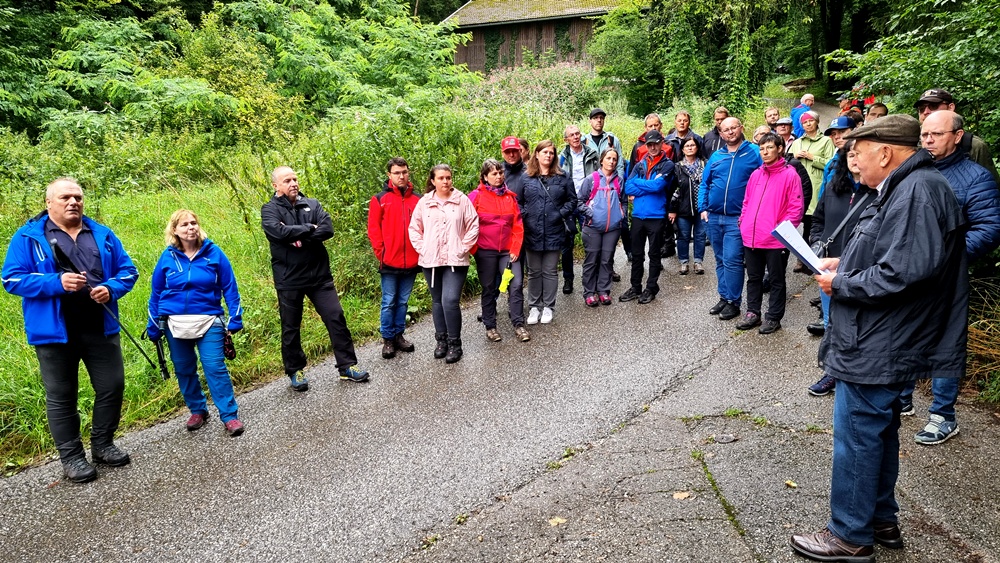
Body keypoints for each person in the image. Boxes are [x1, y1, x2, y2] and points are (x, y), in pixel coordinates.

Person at [791, 114, 967, 563]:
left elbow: (903, 272)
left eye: (857, 151)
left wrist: (842, 284)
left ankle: (848, 535)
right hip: (884, 335)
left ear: (884, 152)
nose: (852, 160)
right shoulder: (906, 188)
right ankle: (881, 520)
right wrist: (841, 264)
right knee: (880, 431)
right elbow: (890, 253)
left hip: (881, 338)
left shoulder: (917, 192)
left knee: (857, 436)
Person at [2, 178, 138, 483]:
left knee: (112, 385)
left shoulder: (102, 234)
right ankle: (72, 458)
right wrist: (55, 283)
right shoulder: (27, 237)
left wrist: (110, 288)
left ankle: (102, 445)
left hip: (99, 327)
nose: (73, 201)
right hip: (54, 332)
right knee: (62, 396)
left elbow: (129, 271)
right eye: (65, 197)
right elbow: (11, 280)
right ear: (49, 202)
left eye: (77, 196)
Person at [897, 110, 1000, 444]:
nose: (928, 140)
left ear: (957, 136)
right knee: (905, 333)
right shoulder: (912, 170)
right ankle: (902, 399)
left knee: (945, 343)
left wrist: (947, 259)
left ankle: (943, 416)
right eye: (925, 134)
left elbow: (990, 227)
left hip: (947, 277)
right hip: (909, 273)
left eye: (936, 134)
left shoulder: (975, 177)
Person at [262, 166, 370, 390]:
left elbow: (327, 229)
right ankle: (295, 370)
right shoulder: (269, 209)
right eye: (287, 180)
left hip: (319, 276)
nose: (293, 183)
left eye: (295, 179)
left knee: (336, 317)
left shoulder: (312, 204)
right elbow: (276, 233)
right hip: (289, 278)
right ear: (276, 186)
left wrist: (297, 235)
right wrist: (308, 228)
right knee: (291, 327)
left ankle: (347, 366)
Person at [146, 209, 244, 437]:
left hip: (209, 320)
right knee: (184, 368)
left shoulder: (214, 253)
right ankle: (198, 409)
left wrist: (235, 317)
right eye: (184, 225)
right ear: (175, 230)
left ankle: (229, 416)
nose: (190, 227)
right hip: (174, 323)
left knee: (214, 367)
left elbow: (230, 286)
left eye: (193, 223)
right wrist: (153, 324)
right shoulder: (167, 257)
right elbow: (156, 293)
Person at [805, 139, 877, 396]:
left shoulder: (880, 193)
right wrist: (815, 242)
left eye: (860, 155)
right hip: (829, 267)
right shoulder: (834, 188)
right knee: (831, 322)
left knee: (859, 324)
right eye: (850, 156)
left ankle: (859, 374)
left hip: (860, 268)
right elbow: (818, 220)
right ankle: (832, 372)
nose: (855, 160)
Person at [409, 164, 479, 363]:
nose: (445, 181)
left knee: (450, 300)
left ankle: (455, 343)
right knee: (438, 301)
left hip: (455, 260)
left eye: (448, 177)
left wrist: (462, 247)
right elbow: (414, 228)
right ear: (433, 181)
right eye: (441, 178)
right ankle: (442, 341)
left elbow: (473, 224)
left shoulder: (461, 200)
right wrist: (423, 248)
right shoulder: (424, 203)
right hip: (430, 261)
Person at [736, 133, 803, 334]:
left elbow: (796, 208)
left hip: (775, 240)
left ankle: (773, 317)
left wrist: (781, 231)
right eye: (762, 148)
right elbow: (747, 202)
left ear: (780, 149)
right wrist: (743, 223)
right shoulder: (756, 174)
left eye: (769, 148)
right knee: (753, 277)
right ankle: (753, 312)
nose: (765, 152)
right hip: (752, 237)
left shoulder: (790, 174)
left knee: (776, 279)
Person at [699, 118, 763, 320]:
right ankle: (724, 296)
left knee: (732, 260)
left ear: (741, 128)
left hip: (737, 218)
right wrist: (702, 208)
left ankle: (734, 302)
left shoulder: (753, 152)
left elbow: (764, 180)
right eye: (725, 130)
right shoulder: (716, 156)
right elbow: (704, 183)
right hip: (713, 216)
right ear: (721, 133)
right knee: (719, 259)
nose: (730, 132)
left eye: (733, 128)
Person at [469, 159, 527, 343]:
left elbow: (518, 225)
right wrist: (474, 248)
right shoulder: (476, 196)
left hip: (507, 251)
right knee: (488, 287)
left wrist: (515, 248)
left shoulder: (510, 197)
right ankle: (490, 326)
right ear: (485, 177)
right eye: (494, 173)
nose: (498, 176)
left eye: (500, 172)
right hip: (485, 250)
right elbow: (466, 223)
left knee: (516, 284)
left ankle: (518, 324)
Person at [368, 157, 421, 359]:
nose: (401, 176)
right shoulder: (380, 199)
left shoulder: (417, 199)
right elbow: (373, 230)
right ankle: (388, 339)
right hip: (389, 260)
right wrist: (381, 253)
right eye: (397, 173)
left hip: (411, 261)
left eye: (404, 172)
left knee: (403, 301)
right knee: (389, 301)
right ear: (389, 175)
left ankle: (399, 335)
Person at [520, 140, 577, 324]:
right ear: (536, 154)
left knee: (550, 271)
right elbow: (517, 202)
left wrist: (560, 213)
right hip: (532, 231)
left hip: (554, 230)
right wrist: (526, 215)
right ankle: (534, 306)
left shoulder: (563, 177)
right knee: (534, 271)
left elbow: (572, 200)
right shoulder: (526, 177)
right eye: (544, 152)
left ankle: (548, 307)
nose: (548, 155)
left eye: (551, 153)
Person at [621, 130, 675, 304]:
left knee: (654, 254)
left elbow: (658, 187)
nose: (652, 147)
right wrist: (646, 185)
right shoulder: (639, 165)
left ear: (661, 143)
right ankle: (635, 287)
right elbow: (628, 187)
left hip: (656, 216)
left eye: (655, 144)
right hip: (638, 215)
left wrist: (639, 183)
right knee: (636, 254)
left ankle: (651, 287)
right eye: (649, 144)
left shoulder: (667, 165)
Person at [915, 88, 999, 182]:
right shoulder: (911, 144)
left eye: (934, 106)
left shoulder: (972, 146)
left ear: (950, 107)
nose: (926, 112)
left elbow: (990, 186)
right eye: (921, 109)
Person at [789, 111, 835, 271]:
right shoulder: (797, 142)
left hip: (816, 188)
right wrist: (794, 155)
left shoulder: (825, 141)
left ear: (816, 122)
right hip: (797, 187)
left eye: (810, 121)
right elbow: (788, 161)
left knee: (810, 226)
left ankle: (810, 260)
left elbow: (831, 163)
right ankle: (800, 257)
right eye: (804, 122)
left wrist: (812, 157)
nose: (807, 124)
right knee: (794, 225)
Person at [578, 148, 624, 306]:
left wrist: (621, 213)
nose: (612, 161)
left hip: (612, 228)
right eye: (609, 158)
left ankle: (604, 290)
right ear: (602, 160)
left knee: (606, 260)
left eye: (614, 159)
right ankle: (589, 292)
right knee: (592, 260)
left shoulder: (619, 181)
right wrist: (590, 213)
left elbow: (623, 200)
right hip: (592, 228)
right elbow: (579, 201)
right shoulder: (592, 179)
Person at [558, 125, 598, 295]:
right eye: (571, 135)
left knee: (591, 240)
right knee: (567, 243)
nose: (575, 137)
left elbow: (599, 175)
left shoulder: (591, 153)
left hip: (587, 201)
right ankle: (568, 278)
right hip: (568, 202)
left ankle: (593, 275)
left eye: (577, 134)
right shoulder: (561, 157)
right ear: (566, 139)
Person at [500, 136, 529, 332]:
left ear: (520, 152)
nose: (511, 155)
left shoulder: (529, 172)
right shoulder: (496, 172)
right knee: (496, 272)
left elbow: (532, 200)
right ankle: (491, 305)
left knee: (518, 271)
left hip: (524, 228)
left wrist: (516, 213)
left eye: (514, 151)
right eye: (508, 152)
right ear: (503, 153)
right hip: (499, 232)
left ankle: (515, 306)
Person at [669, 136, 707, 275]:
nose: (690, 148)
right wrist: (672, 210)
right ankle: (683, 262)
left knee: (700, 235)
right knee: (683, 236)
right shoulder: (677, 167)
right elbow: (673, 189)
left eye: (692, 145)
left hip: (701, 208)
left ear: (697, 147)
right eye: (687, 146)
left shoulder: (705, 164)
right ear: (683, 149)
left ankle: (698, 261)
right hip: (683, 208)